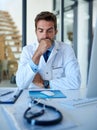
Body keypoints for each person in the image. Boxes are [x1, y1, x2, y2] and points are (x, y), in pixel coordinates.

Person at [16, 11, 81, 90]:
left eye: (49, 31)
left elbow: (75, 82)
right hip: (34, 98)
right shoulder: (27, 50)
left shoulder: (67, 49)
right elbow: (21, 83)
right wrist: (38, 53)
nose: (45, 35)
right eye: (41, 31)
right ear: (36, 32)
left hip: (60, 100)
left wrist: (45, 83)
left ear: (55, 32)